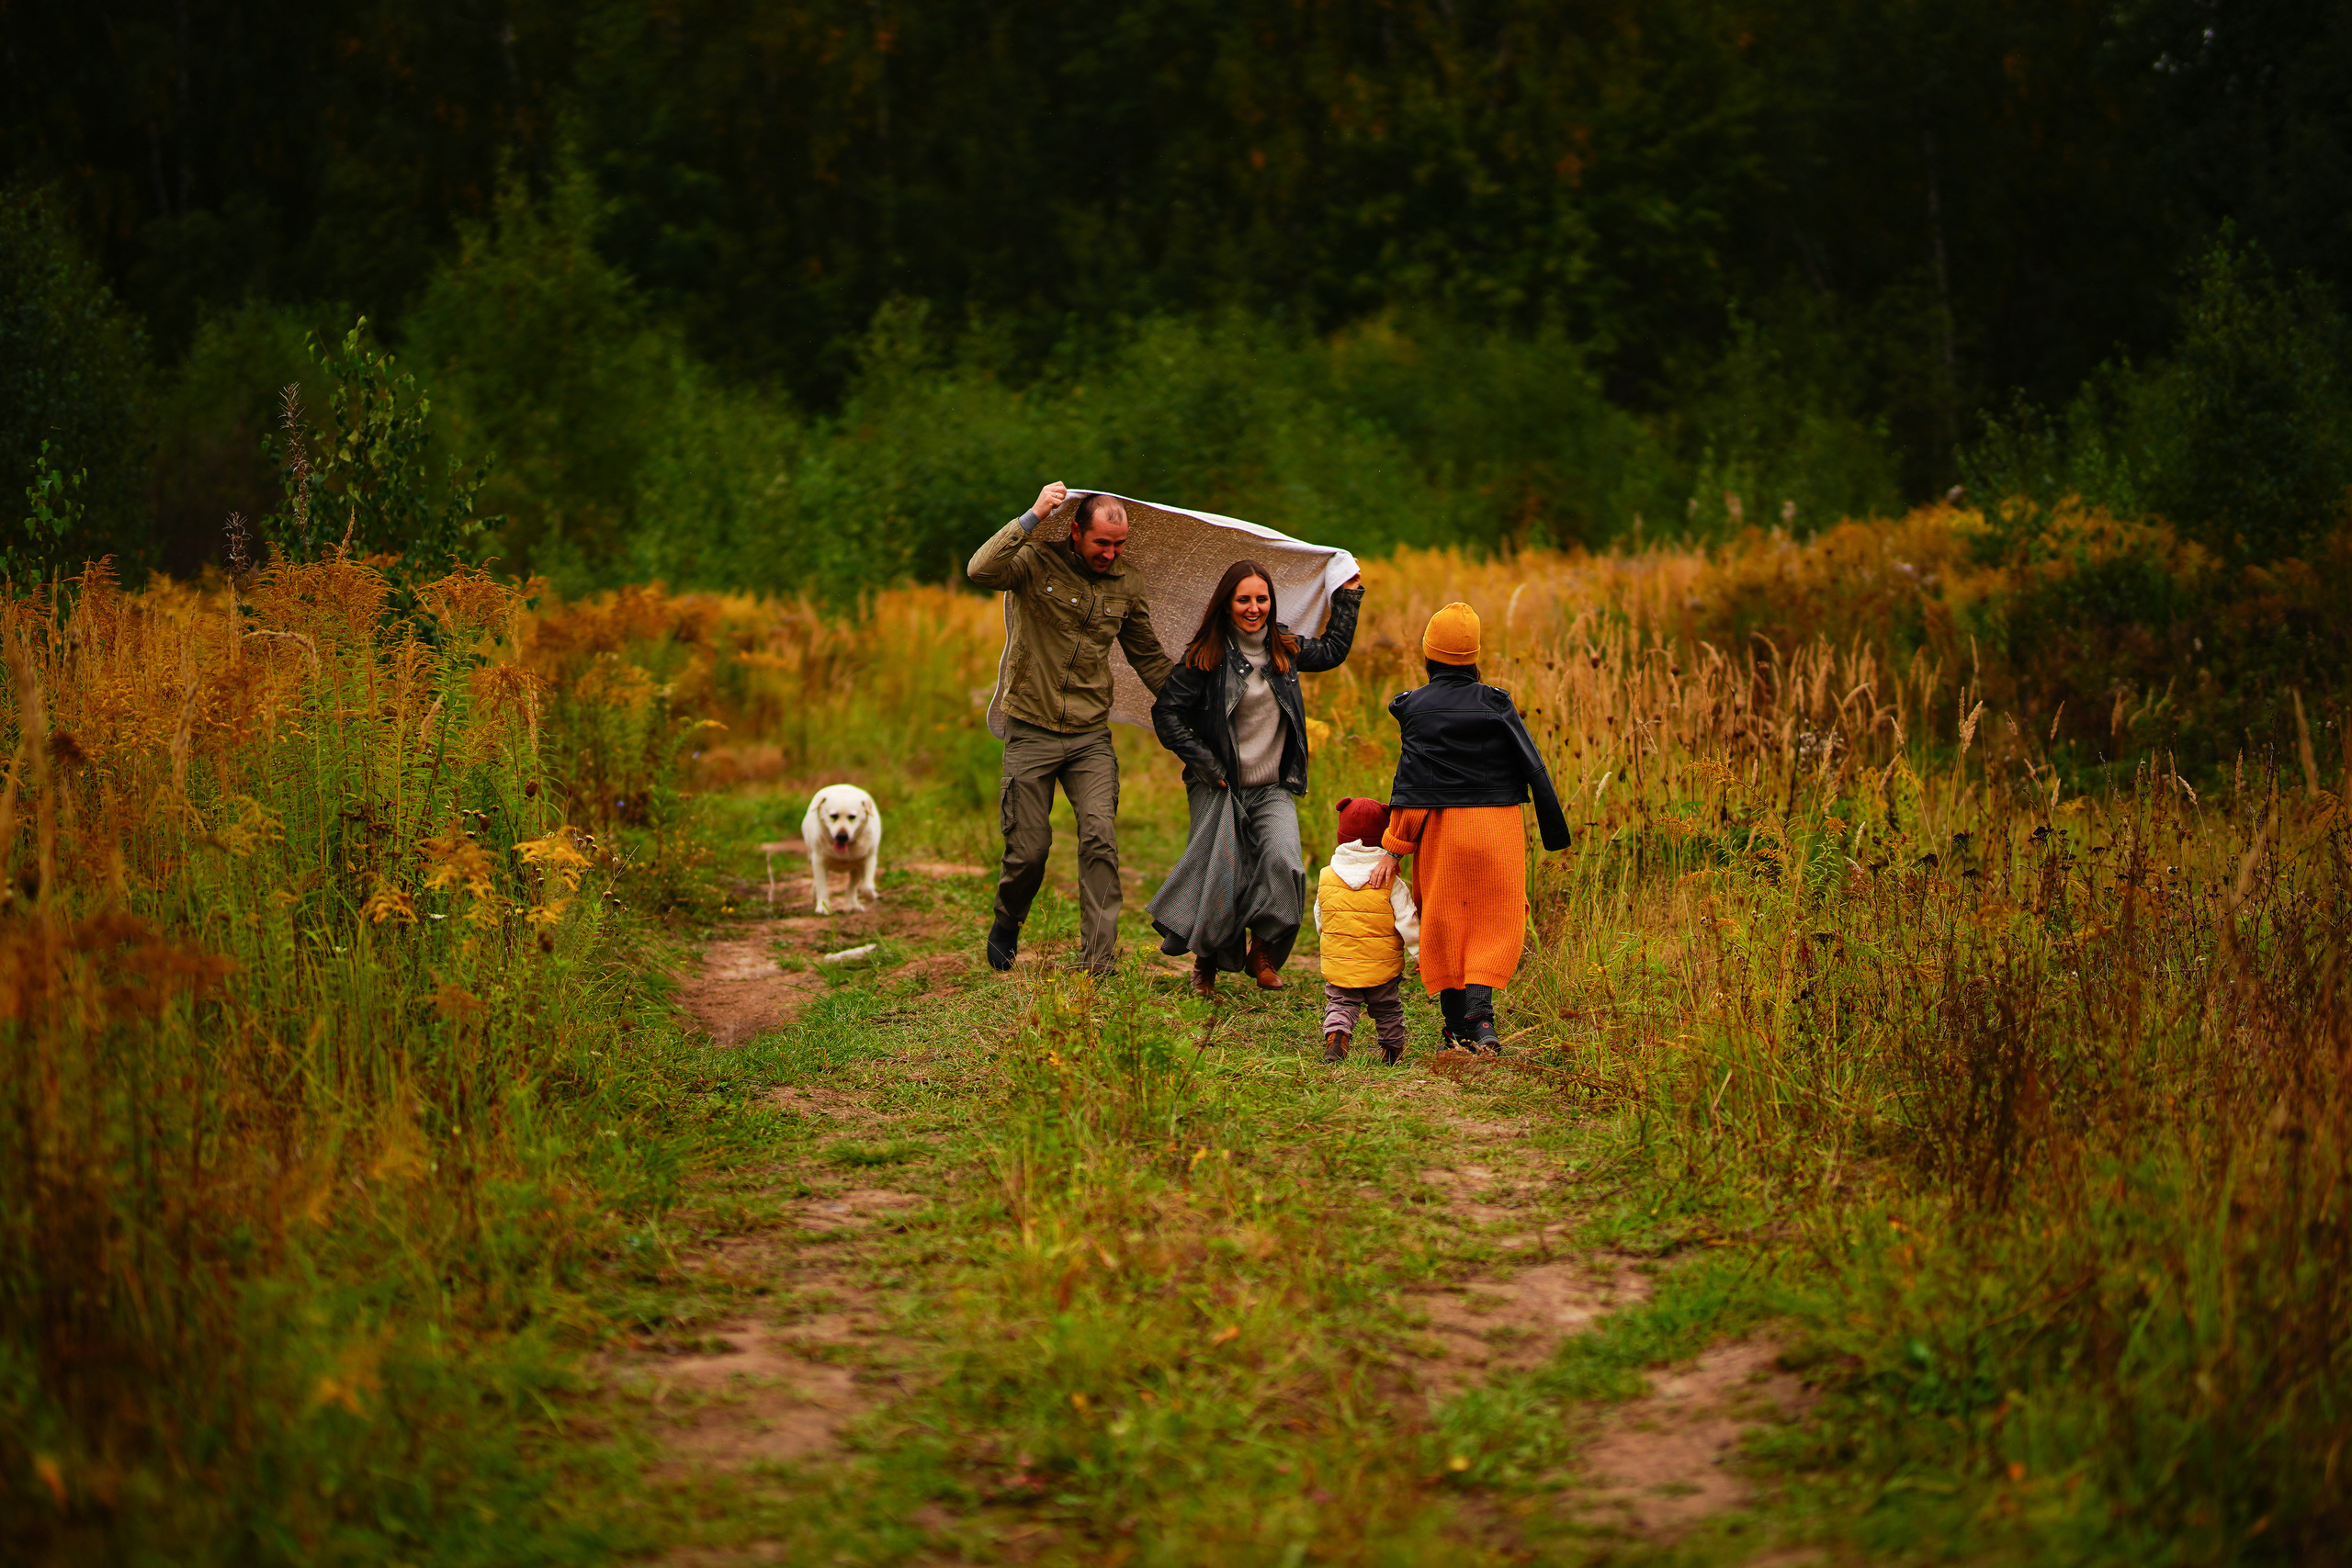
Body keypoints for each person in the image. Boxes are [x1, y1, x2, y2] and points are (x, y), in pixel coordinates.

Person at [967, 481, 1175, 976]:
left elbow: (1148, 657)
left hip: (1089, 736)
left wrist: (1198, 708)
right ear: (1077, 533)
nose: (1110, 553)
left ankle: (1099, 961)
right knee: (1029, 849)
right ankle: (1008, 919)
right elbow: (981, 570)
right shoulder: (1034, 562)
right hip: (1031, 727)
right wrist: (1034, 514)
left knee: (1100, 837)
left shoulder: (1127, 584)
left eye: (1119, 544)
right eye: (1102, 542)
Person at [1148, 559, 1363, 996]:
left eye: (1261, 599)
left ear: (1271, 602)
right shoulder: (1204, 656)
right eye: (1243, 599)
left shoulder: (1284, 648)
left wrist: (1349, 593)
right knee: (1222, 872)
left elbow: (1334, 649)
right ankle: (1206, 963)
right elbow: (1166, 713)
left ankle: (1262, 952)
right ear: (1227, 604)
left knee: (1284, 861)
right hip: (1219, 784)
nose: (1253, 608)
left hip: (1271, 786)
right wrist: (1206, 763)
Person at [1366, 602, 1570, 1052]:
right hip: (1498, 828)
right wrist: (1555, 828)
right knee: (1492, 921)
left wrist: (1394, 848)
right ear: (1474, 656)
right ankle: (1482, 1024)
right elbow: (1532, 764)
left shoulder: (1415, 708)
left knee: (1445, 921)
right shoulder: (1496, 702)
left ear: (1428, 654)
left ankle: (1453, 1029)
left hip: (1446, 833)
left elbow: (1415, 787)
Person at [1315, 796, 1420, 1065]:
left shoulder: (1327, 875)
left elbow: (1321, 915)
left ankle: (1337, 1035)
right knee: (1387, 1008)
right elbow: (1407, 920)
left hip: (1341, 960)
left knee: (1340, 1002)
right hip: (1381, 964)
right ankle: (1392, 1051)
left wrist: (1329, 939)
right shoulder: (1390, 880)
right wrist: (1420, 953)